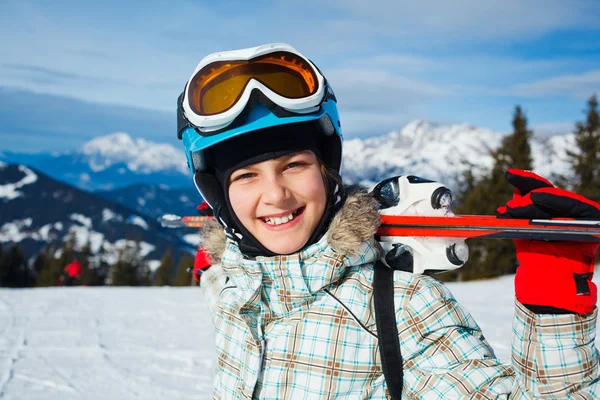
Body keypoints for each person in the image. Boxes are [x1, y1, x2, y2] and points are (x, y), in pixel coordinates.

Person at [177, 43, 600, 398]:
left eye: (293, 165)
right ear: (220, 197)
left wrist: (553, 305)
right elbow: (235, 279)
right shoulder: (234, 284)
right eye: (246, 176)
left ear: (326, 170)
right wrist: (215, 263)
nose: (274, 195)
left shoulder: (401, 305)